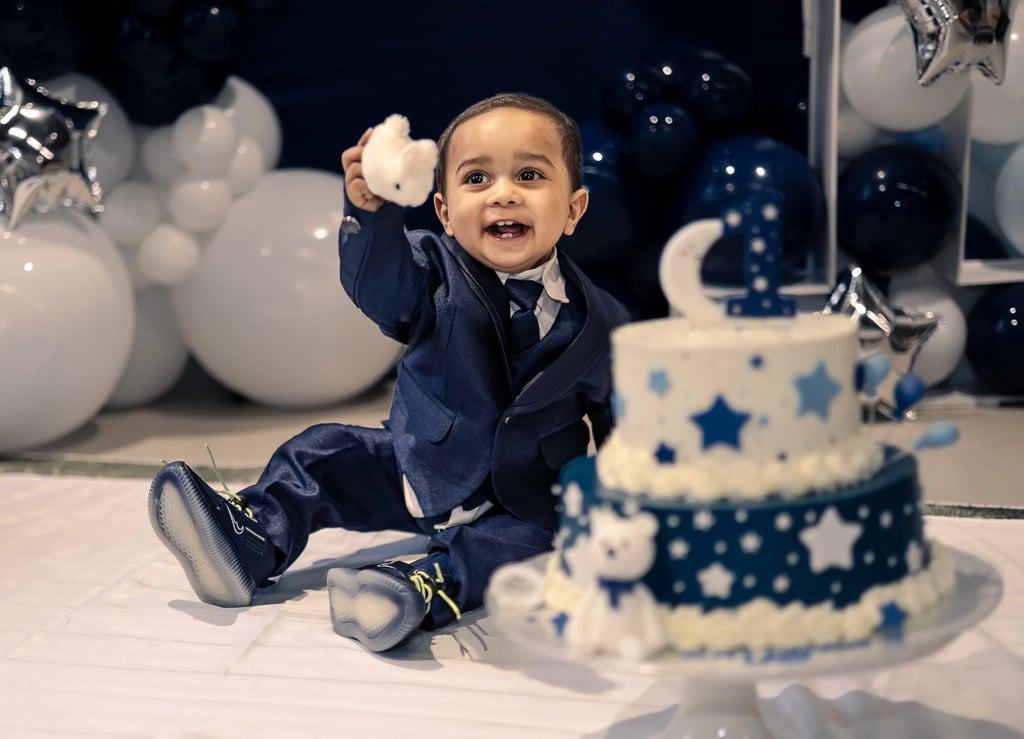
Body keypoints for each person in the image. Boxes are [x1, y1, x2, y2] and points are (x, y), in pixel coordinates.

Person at [148, 92, 633, 652]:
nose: (503, 193)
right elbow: (382, 286)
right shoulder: (432, 272)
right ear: (444, 212)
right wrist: (372, 214)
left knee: (517, 545)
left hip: (523, 500)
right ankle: (252, 538)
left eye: (529, 175)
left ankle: (418, 588)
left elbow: (623, 423)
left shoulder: (604, 322)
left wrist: (630, 504)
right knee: (322, 452)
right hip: (419, 467)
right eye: (477, 179)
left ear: (573, 209)